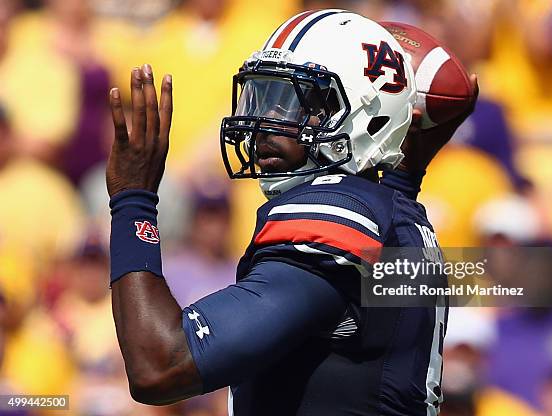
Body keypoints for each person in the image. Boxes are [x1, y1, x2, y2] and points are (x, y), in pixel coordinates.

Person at [106, 10, 475, 415]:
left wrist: (133, 199)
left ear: (364, 115)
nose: (264, 125)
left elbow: (160, 365)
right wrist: (409, 158)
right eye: (263, 97)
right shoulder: (396, 217)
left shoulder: (338, 213)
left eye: (291, 103)